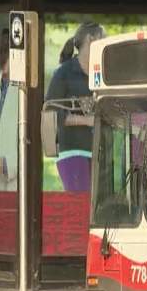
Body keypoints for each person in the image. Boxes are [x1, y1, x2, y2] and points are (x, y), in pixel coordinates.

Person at [45, 22, 106, 192]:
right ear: (91, 39)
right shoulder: (63, 74)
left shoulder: (101, 73)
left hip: (99, 153)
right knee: (81, 207)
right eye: (103, 40)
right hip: (72, 152)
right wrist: (87, 121)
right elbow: (52, 114)